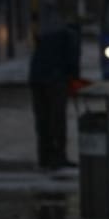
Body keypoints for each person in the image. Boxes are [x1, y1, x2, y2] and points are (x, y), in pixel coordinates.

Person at [28, 13, 82, 170]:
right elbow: (73, 61)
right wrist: (74, 82)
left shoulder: (48, 33)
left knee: (42, 119)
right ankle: (59, 156)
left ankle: (44, 157)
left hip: (36, 78)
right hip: (55, 80)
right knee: (57, 119)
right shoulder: (72, 35)